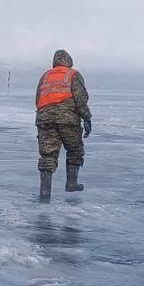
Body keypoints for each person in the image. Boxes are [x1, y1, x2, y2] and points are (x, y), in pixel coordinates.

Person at [35, 49, 92, 200]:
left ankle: (45, 193)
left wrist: (43, 116)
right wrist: (86, 117)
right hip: (67, 118)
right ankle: (71, 183)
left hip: (45, 119)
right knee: (74, 150)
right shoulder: (72, 74)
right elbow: (80, 98)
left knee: (47, 155)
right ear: (69, 61)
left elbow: (38, 98)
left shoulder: (45, 76)